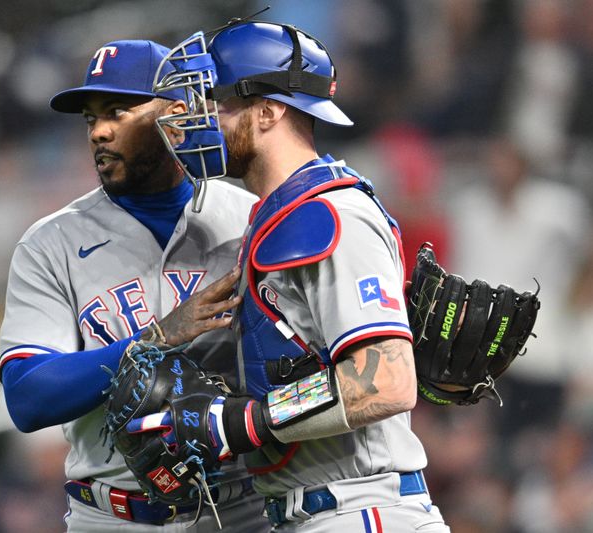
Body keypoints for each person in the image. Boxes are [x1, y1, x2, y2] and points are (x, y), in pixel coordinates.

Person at [148, 21, 451, 531]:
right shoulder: (275, 216)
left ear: (268, 110)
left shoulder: (327, 214)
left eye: (216, 102)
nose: (199, 121)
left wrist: (243, 421)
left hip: (361, 509)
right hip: (314, 511)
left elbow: (386, 381)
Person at [0, 40, 270, 531]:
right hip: (112, 515)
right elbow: (27, 396)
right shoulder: (51, 242)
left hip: (240, 509)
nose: (99, 131)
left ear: (176, 113)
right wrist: (154, 339)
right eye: (90, 118)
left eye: (118, 111)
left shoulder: (249, 220)